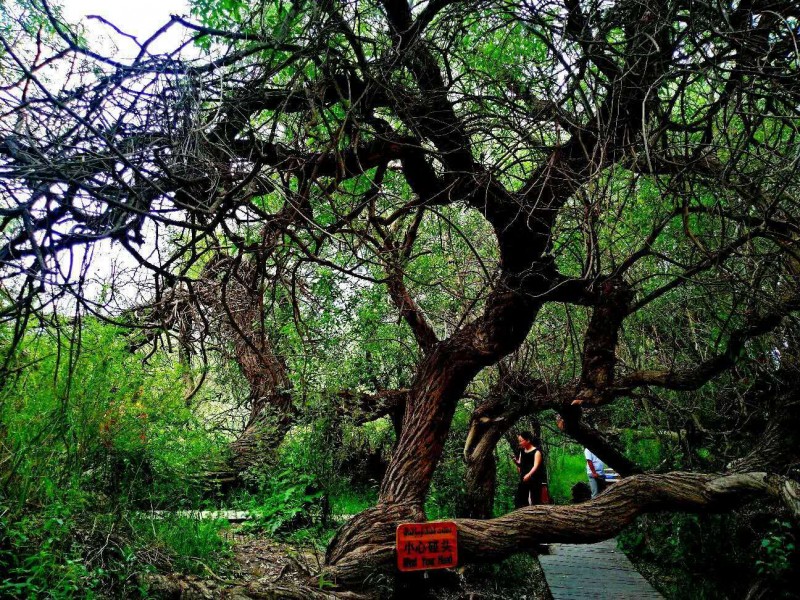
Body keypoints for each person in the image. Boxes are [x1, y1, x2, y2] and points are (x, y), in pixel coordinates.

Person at [512, 432, 547, 508]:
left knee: (535, 499)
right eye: (519, 441)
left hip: (534, 479)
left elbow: (536, 466)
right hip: (524, 478)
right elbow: (521, 464)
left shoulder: (537, 451)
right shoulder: (522, 451)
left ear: (528, 440)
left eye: (521, 440)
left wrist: (529, 474)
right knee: (521, 500)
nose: (520, 443)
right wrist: (516, 462)